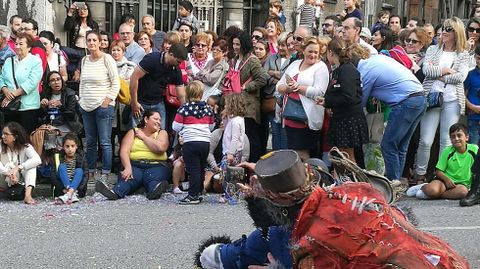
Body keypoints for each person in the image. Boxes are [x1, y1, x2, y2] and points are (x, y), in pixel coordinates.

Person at [414, 17, 470, 183]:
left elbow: (461, 77)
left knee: (446, 141)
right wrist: (446, 70)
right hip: (432, 98)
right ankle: (420, 174)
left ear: (457, 33)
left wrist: (439, 75)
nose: (444, 32)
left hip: (452, 100)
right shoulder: (433, 50)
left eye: (449, 29)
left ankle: (441, 176)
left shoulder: (463, 54)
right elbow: (426, 70)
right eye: (444, 29)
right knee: (425, 140)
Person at [357, 51, 426, 182]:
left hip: (406, 102)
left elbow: (361, 101)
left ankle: (393, 183)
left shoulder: (365, 69)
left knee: (388, 145)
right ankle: (397, 183)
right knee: (400, 146)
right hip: (420, 98)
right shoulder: (378, 59)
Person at [95, 109, 170, 200]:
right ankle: (114, 193)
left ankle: (155, 191)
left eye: (159, 120)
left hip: (157, 165)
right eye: (155, 119)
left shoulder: (162, 133)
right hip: (135, 165)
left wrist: (143, 137)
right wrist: (127, 167)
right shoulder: (133, 132)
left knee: (153, 180)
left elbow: (160, 148)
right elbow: (124, 151)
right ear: (146, 119)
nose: (158, 122)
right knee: (127, 180)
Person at [276, 36, 330, 161]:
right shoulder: (295, 64)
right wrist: (289, 88)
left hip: (307, 118)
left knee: (303, 154)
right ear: (304, 51)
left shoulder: (321, 67)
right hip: (290, 115)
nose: (313, 55)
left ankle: (307, 178)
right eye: (310, 51)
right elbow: (279, 85)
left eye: (316, 52)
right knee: (293, 153)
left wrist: (298, 88)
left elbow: (319, 92)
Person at [78, 30, 120, 183]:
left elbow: (115, 82)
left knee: (104, 141)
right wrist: (81, 100)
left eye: (94, 40)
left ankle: (105, 173)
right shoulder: (84, 60)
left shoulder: (107, 59)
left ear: (99, 42)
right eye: (89, 40)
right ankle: (91, 171)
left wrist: (107, 101)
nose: (92, 43)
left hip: (103, 107)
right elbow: (82, 82)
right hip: (86, 106)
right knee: (90, 142)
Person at [318, 38, 368, 163]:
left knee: (347, 156)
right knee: (342, 155)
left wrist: (328, 102)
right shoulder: (338, 70)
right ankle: (344, 180)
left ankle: (352, 181)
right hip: (341, 117)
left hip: (349, 119)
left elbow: (349, 96)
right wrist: (326, 101)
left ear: (330, 52)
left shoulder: (347, 70)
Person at [407, 123, 478, 200]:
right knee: (432, 190)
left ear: (466, 137)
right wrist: (447, 180)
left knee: (463, 192)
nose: (456, 139)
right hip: (444, 181)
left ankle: (436, 195)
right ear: (451, 139)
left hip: (462, 184)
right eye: (453, 137)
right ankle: (423, 187)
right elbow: (438, 171)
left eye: (459, 135)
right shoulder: (447, 151)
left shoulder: (474, 149)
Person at [172, 81, 215, 204]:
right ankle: (199, 191)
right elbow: (211, 126)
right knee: (201, 167)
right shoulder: (208, 108)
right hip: (205, 141)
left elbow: (176, 126)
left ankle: (193, 195)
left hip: (190, 141)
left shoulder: (184, 108)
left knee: (193, 169)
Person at [129, 43, 187, 130]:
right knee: (137, 132)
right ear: (171, 55)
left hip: (158, 102)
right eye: (178, 61)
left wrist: (185, 112)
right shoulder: (152, 59)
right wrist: (134, 103)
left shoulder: (175, 69)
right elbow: (134, 78)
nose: (179, 64)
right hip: (141, 101)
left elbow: (181, 94)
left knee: (161, 133)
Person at [230, 31, 267, 162]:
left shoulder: (252, 60)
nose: (235, 47)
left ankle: (254, 163)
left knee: (250, 135)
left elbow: (262, 79)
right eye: (234, 44)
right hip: (236, 102)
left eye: (238, 44)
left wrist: (246, 87)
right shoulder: (233, 60)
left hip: (249, 105)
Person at [0, 32, 43, 134]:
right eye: (16, 44)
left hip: (28, 107)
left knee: (25, 139)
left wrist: (12, 95)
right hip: (10, 107)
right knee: (10, 137)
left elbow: (32, 82)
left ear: (29, 47)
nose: (18, 46)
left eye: (21, 44)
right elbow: (1, 78)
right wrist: (5, 90)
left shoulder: (35, 61)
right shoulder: (8, 61)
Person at [0, 122, 41, 204]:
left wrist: (18, 167)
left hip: (20, 180)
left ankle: (28, 195)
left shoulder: (26, 146)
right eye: (2, 133)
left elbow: (37, 159)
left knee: (32, 167)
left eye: (6, 134)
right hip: (4, 178)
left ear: (15, 137)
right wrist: (8, 173)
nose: (3, 136)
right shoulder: (0, 145)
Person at [264, 32, 291, 150]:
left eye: (283, 45)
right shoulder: (271, 58)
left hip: (286, 101)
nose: (280, 48)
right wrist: (278, 81)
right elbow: (264, 75)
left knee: (285, 133)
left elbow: (288, 78)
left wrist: (274, 73)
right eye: (279, 45)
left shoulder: (293, 60)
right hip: (272, 100)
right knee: (275, 131)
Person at [52, 133, 87, 204]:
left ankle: (69, 194)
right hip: (63, 187)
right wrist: (62, 189)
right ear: (63, 147)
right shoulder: (58, 157)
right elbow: (53, 176)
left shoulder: (81, 157)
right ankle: (70, 193)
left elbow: (85, 175)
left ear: (76, 146)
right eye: (67, 146)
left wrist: (79, 189)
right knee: (61, 167)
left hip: (76, 187)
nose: (70, 149)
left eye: (72, 146)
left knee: (80, 170)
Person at [221, 93, 246, 168]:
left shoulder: (236, 121)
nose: (225, 106)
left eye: (226, 104)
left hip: (233, 152)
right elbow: (225, 128)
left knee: (229, 173)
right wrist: (224, 117)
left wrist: (231, 153)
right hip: (227, 150)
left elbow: (235, 138)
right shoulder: (232, 119)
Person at [465, 44, 480, 145]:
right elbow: (463, 94)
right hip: (473, 118)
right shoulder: (470, 74)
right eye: (479, 58)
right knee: (473, 148)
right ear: (475, 57)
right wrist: (472, 107)